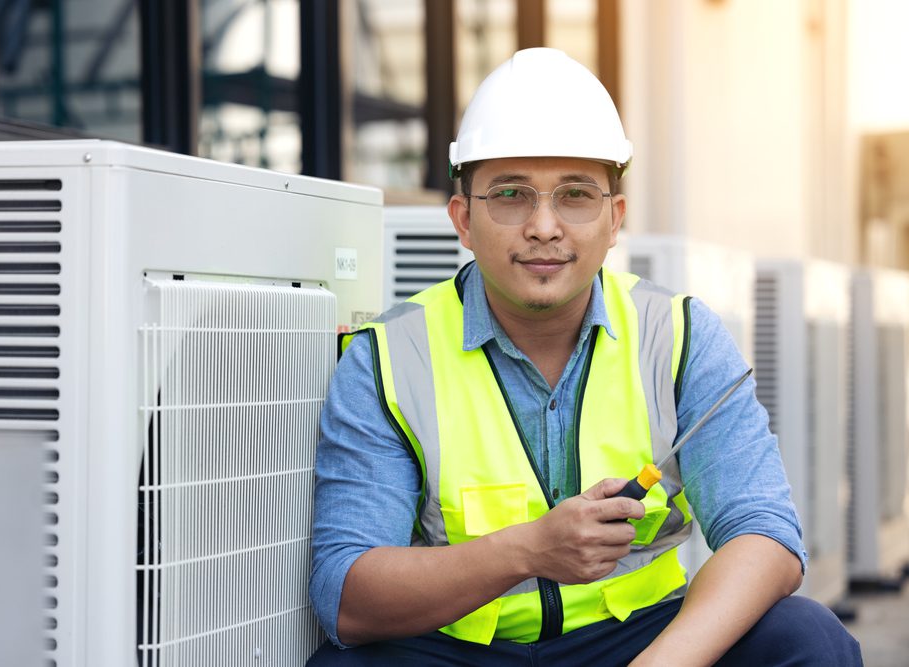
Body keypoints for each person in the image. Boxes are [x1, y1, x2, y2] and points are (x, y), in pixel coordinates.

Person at [307, 48, 861, 665]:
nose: (544, 226)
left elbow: (767, 536)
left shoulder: (677, 336)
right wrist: (527, 550)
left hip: (640, 643)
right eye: (511, 195)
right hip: (459, 651)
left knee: (808, 639)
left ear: (615, 217)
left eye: (575, 195)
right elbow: (346, 598)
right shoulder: (388, 358)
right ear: (463, 218)